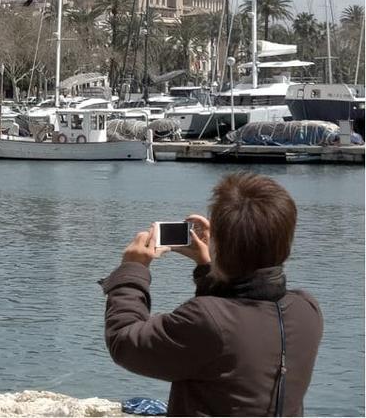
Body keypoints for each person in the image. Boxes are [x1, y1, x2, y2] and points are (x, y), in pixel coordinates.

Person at [100, 172, 323, 416]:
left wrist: (132, 270)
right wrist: (210, 267)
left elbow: (125, 343)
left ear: (219, 243)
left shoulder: (205, 320)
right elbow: (237, 320)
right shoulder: (307, 310)